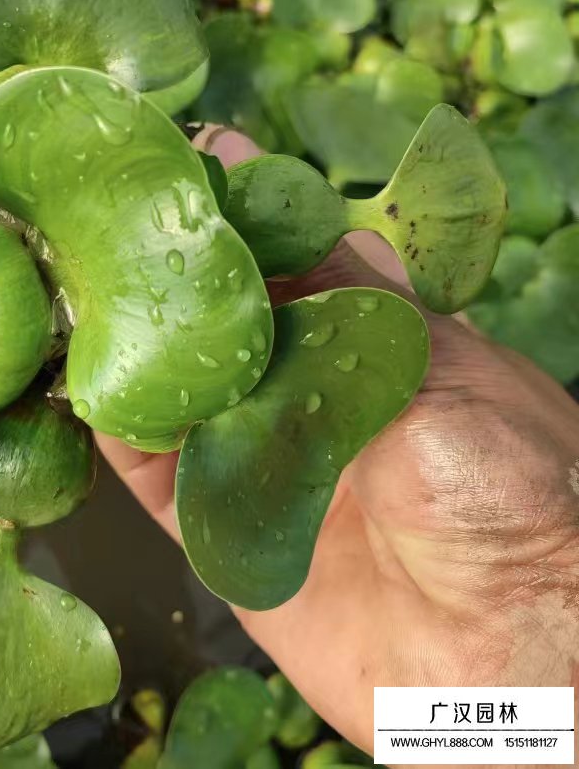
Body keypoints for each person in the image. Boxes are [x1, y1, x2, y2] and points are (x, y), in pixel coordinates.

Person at [98, 128, 579, 760]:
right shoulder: (524, 731)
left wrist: (548, 579)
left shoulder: (508, 726)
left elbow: (529, 729)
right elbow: (531, 730)